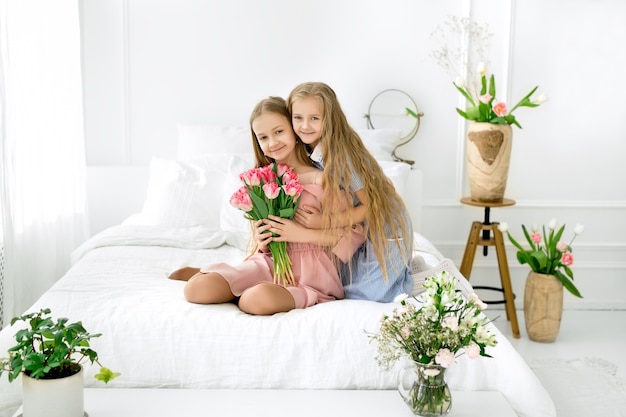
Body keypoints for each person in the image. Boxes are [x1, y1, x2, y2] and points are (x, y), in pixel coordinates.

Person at [169, 96, 350, 315]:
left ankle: (241, 286)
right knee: (197, 290)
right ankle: (229, 279)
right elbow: (263, 240)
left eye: (279, 132)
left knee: (256, 300)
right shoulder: (264, 181)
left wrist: (299, 233)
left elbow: (349, 237)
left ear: (294, 130)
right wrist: (263, 239)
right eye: (263, 137)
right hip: (269, 264)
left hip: (311, 274)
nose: (272, 142)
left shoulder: (322, 179)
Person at [279, 81, 414, 303]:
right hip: (360, 230)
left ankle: (409, 277)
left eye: (314, 118)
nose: (305, 125)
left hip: (386, 227)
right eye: (298, 118)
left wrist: (324, 221)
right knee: (343, 288)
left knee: (367, 297)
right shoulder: (309, 149)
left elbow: (371, 205)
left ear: (329, 119)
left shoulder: (342, 156)